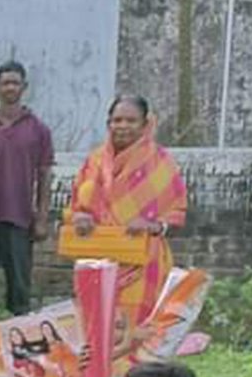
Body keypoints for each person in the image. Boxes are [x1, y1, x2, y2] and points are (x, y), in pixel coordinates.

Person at [68, 95, 188, 325]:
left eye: (131, 121)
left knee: (136, 330)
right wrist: (80, 216)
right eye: (117, 120)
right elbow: (76, 204)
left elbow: (176, 212)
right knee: (94, 329)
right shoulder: (94, 161)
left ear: (145, 124)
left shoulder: (161, 162)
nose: (123, 126)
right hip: (97, 259)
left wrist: (151, 225)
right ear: (108, 124)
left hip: (143, 261)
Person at [0, 61, 54, 318]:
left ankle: (21, 334)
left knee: (19, 287)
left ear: (24, 87)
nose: (10, 88)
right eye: (5, 83)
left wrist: (42, 218)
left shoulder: (39, 130)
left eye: (15, 83)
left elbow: (44, 176)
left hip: (20, 218)